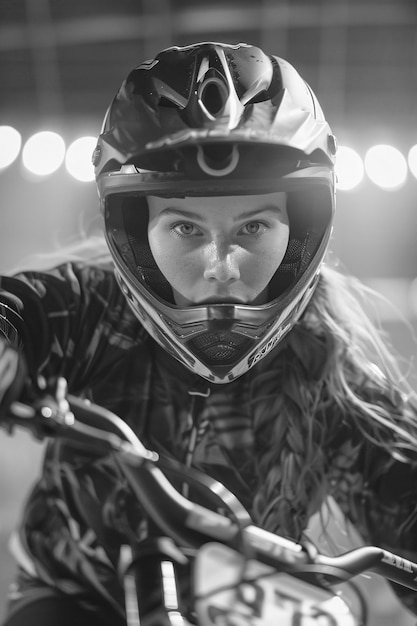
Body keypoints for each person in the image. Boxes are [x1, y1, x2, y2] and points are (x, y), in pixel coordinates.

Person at [1, 40, 417, 625]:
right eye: (185, 229)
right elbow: (22, 309)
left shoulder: (333, 371)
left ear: (299, 232)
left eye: (253, 225)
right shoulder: (92, 308)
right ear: (136, 234)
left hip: (253, 608)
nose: (222, 265)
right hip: (79, 596)